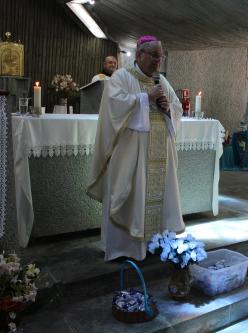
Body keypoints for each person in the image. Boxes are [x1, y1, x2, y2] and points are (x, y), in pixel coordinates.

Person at [87, 36, 184, 261]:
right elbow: (113, 107)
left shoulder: (161, 80)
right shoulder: (121, 77)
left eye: (161, 57)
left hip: (159, 153)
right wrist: (143, 98)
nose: (158, 62)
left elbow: (177, 108)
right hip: (132, 153)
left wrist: (168, 109)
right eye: (154, 56)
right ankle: (126, 248)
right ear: (139, 55)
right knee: (130, 194)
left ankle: (155, 244)